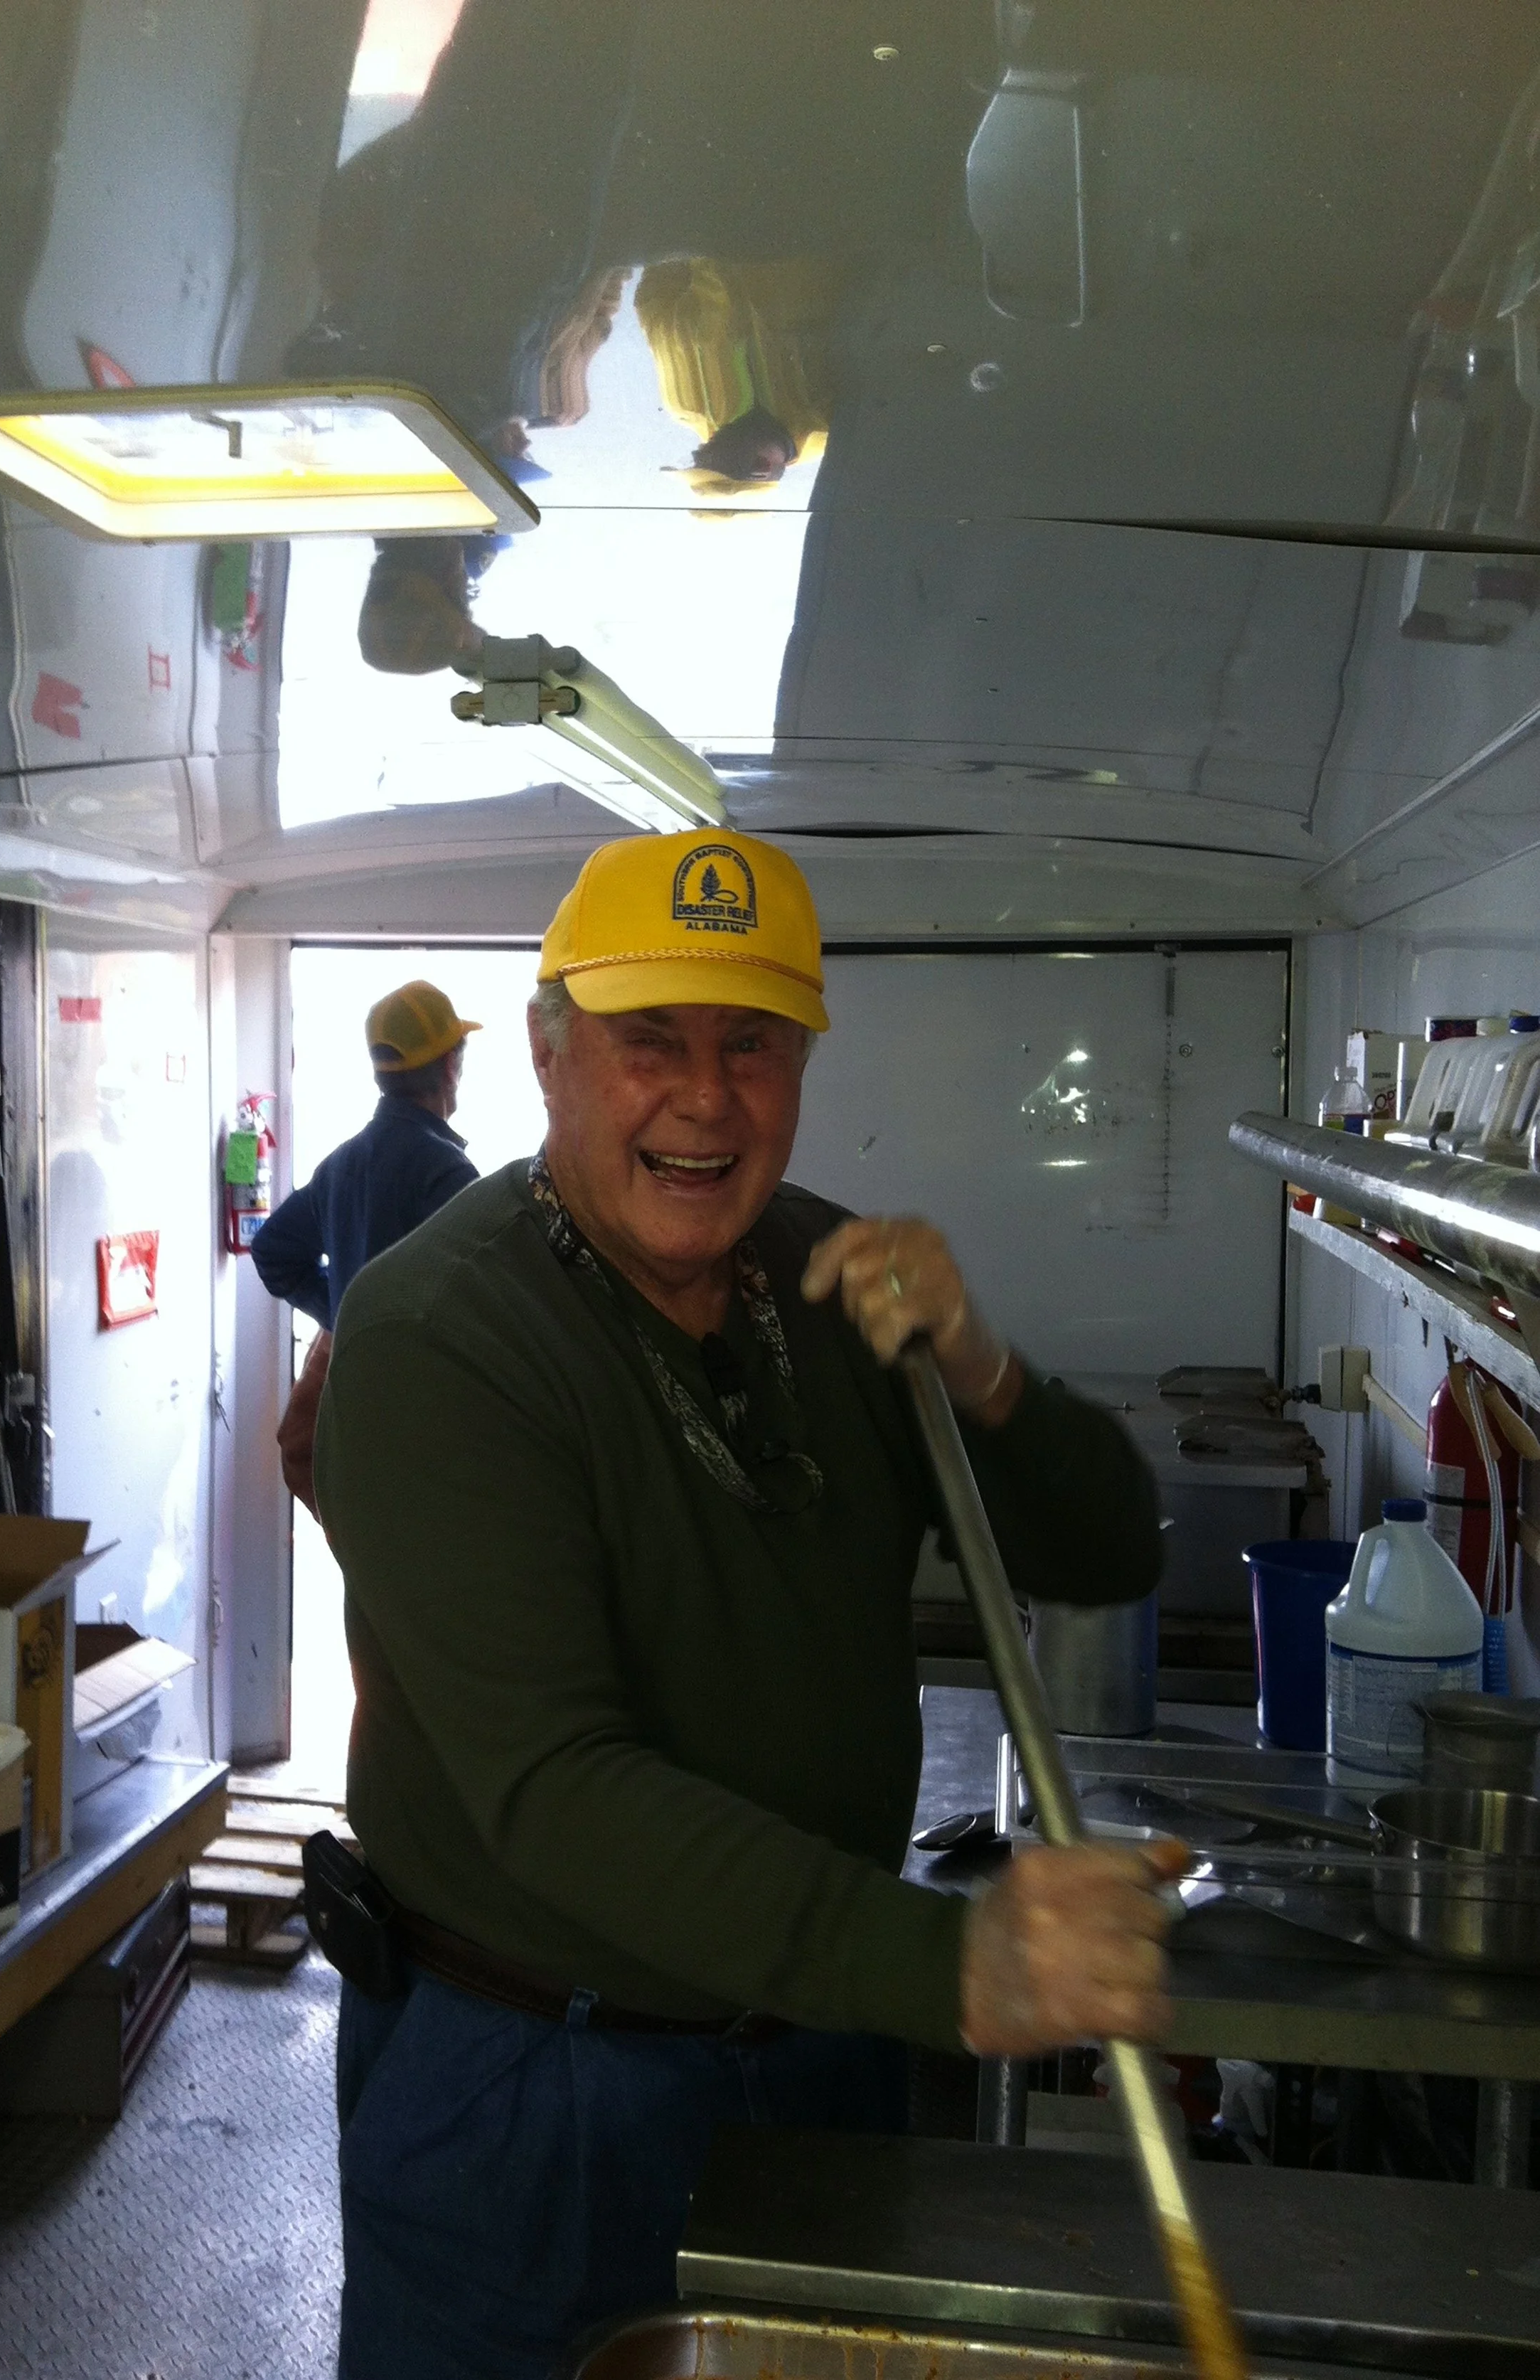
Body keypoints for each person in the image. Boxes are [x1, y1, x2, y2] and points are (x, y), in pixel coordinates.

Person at [311, 830, 1172, 2380]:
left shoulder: (833, 1277)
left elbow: (1107, 1545)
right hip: (537, 2083)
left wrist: (982, 1370)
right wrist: (951, 1961)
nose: (705, 1097)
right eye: (652, 1040)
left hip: (818, 2049)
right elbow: (557, 1791)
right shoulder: (441, 1332)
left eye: (751, 1043)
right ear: (550, 1053)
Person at [252, 980, 481, 1514]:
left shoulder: (343, 1163)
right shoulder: (447, 1171)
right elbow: (480, 1299)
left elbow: (273, 1253)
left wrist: (343, 1310)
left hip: (356, 1409)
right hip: (422, 1413)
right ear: (450, 1066)